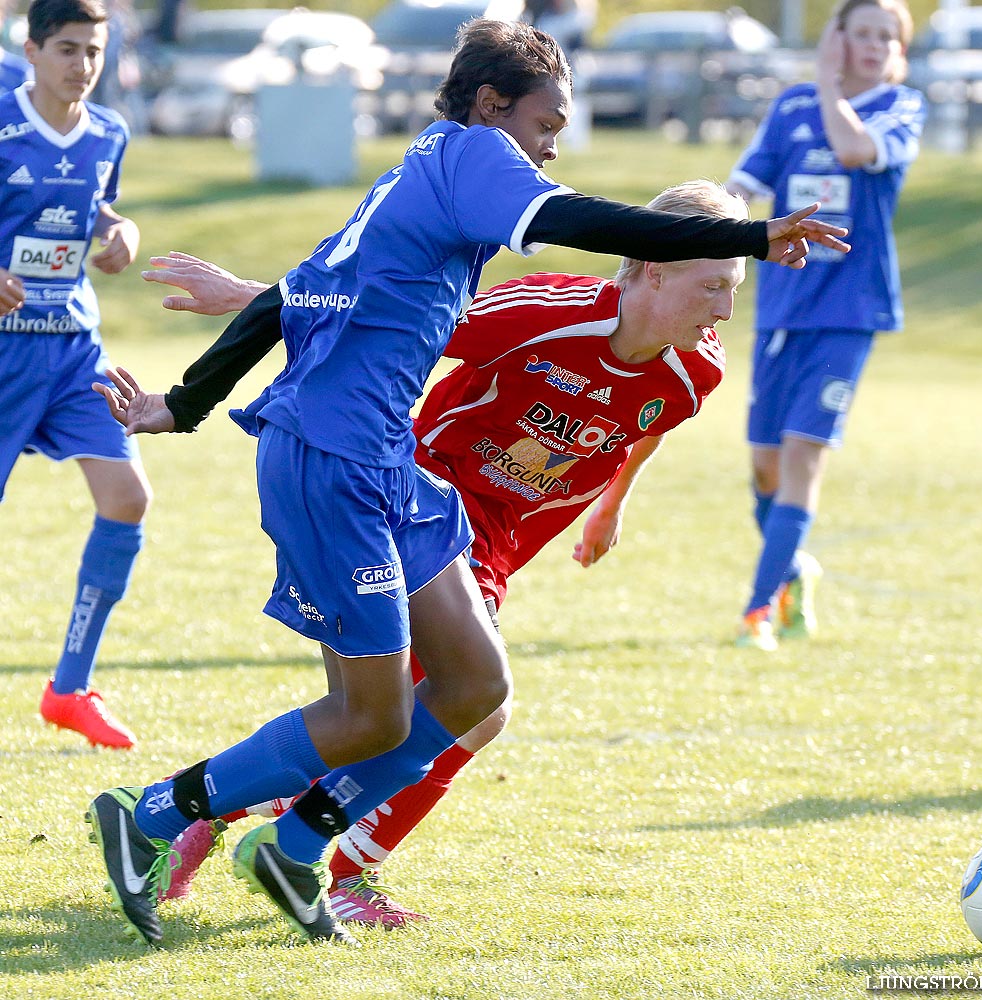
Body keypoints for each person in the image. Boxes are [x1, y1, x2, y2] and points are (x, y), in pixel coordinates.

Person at [84, 18, 850, 948]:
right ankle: (168, 813)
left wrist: (187, 400)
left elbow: (315, 289)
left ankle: (291, 846)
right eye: (545, 123)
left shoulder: (427, 173)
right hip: (347, 461)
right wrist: (756, 232)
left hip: (386, 475)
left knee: (474, 687)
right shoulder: (476, 166)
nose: (551, 147)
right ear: (492, 108)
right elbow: (577, 221)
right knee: (377, 713)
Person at [127, 178, 750, 928]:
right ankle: (326, 862)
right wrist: (251, 296)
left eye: (734, 288)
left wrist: (613, 502)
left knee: (405, 712)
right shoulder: (541, 314)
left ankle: (217, 815)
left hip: (505, 538)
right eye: (712, 284)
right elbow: (383, 318)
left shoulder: (697, 368)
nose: (724, 308)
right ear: (653, 266)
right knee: (469, 708)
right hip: (431, 499)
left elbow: (645, 422)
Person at [725, 0, 924, 652]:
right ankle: (794, 568)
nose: (870, 45)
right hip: (781, 307)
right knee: (762, 468)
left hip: (848, 312)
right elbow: (743, 187)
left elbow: (851, 148)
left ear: (897, 51)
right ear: (835, 36)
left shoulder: (900, 108)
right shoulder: (790, 108)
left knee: (803, 453)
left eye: (883, 37)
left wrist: (830, 84)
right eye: (858, 32)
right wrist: (702, 226)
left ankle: (758, 612)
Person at [1, 0, 146, 749]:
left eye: (92, 50)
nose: (81, 66)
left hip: (71, 350)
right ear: (30, 50)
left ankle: (70, 687)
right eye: (66, 49)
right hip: (1, 356)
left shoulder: (109, 132)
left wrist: (120, 232)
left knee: (127, 496)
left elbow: (99, 209)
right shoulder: (2, 123)